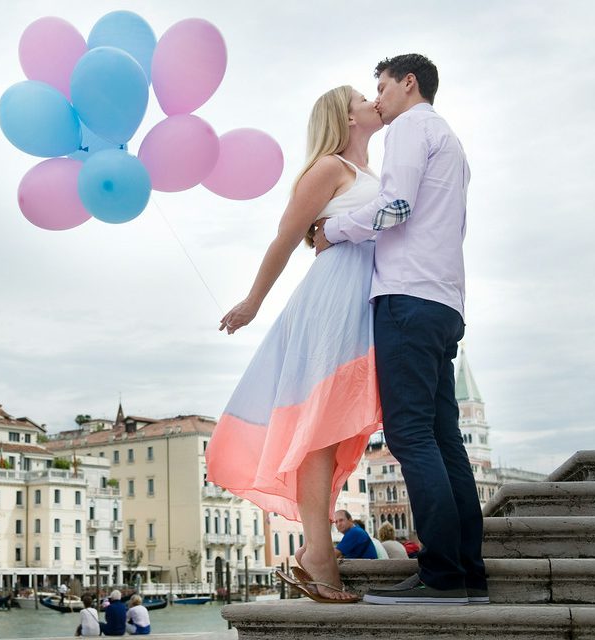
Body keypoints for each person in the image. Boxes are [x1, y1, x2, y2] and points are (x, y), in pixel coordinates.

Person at [315, 53, 486, 606]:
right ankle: (468, 573)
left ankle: (440, 575)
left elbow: (396, 207)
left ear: (408, 84)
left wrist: (334, 229)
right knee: (443, 439)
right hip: (444, 302)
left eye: (383, 87)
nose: (379, 99)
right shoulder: (451, 141)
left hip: (408, 301)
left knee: (411, 436)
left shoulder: (411, 127)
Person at [205, 83, 384, 603]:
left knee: (333, 430)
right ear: (345, 118)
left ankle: (314, 552)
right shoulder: (329, 168)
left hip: (366, 304)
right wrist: (252, 303)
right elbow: (285, 237)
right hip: (332, 303)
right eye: (361, 98)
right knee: (319, 431)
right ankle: (318, 553)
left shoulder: (374, 173)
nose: (372, 102)